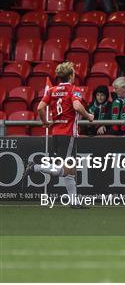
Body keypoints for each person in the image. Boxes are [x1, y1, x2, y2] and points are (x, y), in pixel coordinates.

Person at [22, 62, 95, 208]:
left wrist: (45, 122)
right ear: (70, 75)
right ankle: (35, 167)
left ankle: (74, 202)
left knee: (70, 171)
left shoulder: (52, 90)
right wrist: (88, 116)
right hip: (68, 134)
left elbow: (40, 107)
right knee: (68, 170)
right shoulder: (74, 89)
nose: (75, 75)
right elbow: (77, 106)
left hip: (56, 133)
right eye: (73, 72)